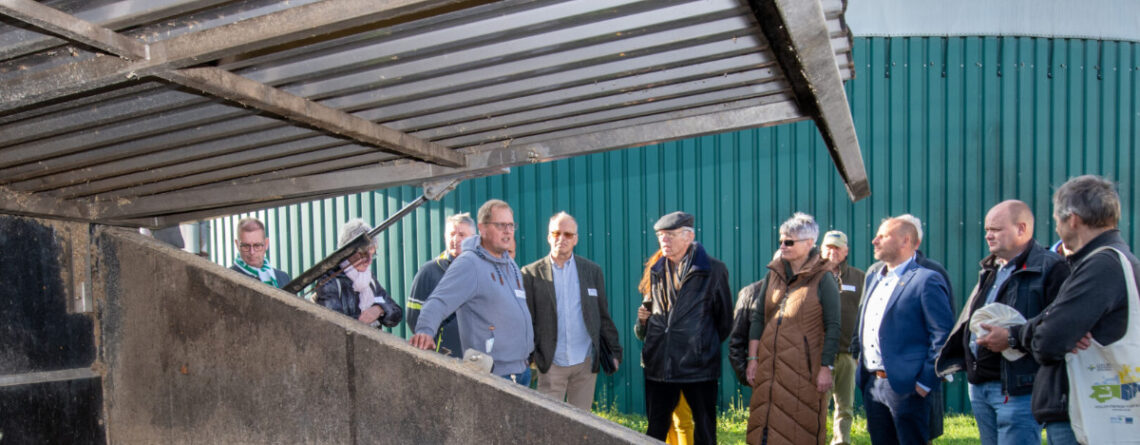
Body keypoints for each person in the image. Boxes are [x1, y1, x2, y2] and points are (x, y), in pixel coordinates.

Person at [994, 176, 1137, 444]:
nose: (1057, 229)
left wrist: (1033, 332)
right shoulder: (1113, 259)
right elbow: (1053, 325)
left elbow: (1048, 342)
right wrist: (1050, 325)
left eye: (1057, 220)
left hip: (1087, 412)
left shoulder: (1101, 265)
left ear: (1072, 219)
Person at [935, 200, 1069, 445]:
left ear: (1021, 229)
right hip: (981, 386)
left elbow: (1060, 326)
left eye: (996, 229)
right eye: (987, 229)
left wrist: (1010, 337)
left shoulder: (1051, 268)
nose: (988, 235)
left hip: (1019, 388)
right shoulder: (991, 267)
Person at [409, 200, 535, 385]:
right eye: (500, 225)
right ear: (482, 229)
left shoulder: (512, 265)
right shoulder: (470, 263)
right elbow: (439, 300)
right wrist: (425, 331)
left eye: (510, 225)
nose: (507, 231)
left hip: (521, 371)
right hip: (494, 375)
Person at [853, 216, 954, 445]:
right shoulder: (874, 278)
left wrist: (925, 383)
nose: (874, 241)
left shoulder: (926, 280)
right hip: (873, 384)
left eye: (883, 236)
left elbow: (942, 336)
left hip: (906, 387)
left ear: (905, 240)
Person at [635, 211, 732, 445]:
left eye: (670, 235)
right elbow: (653, 317)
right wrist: (644, 323)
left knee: (705, 429)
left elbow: (725, 321)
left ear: (688, 236)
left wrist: (700, 344)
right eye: (660, 236)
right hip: (659, 365)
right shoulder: (657, 270)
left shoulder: (714, 270)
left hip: (698, 366)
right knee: (656, 428)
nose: (664, 241)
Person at [744, 213, 840, 445]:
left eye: (789, 242)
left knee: (798, 430)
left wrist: (826, 366)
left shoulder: (824, 279)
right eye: (781, 241)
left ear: (809, 244)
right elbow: (758, 318)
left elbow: (834, 326)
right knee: (763, 427)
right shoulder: (773, 275)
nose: (782, 246)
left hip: (804, 372)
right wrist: (753, 358)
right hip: (768, 367)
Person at [522, 212, 622, 410]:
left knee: (582, 425)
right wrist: (529, 355)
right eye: (556, 233)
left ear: (575, 239)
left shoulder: (592, 271)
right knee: (548, 424)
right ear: (549, 237)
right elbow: (527, 320)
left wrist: (615, 351)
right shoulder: (531, 273)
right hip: (551, 363)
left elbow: (602, 314)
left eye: (568, 234)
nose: (561, 239)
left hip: (585, 362)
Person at [406, 213, 476, 357]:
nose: (456, 239)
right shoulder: (429, 271)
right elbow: (414, 317)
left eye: (462, 234)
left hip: (476, 358)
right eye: (451, 234)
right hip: (442, 358)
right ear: (445, 237)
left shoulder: (481, 271)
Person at [820, 230, 865, 445]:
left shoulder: (859, 277)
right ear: (821, 249)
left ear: (846, 251)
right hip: (820, 357)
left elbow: (866, 313)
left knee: (845, 407)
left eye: (837, 247)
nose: (832, 251)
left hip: (848, 354)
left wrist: (860, 351)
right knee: (818, 405)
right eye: (828, 247)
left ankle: (841, 441)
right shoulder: (813, 276)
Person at [315, 219, 402, 328]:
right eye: (364, 254)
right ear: (347, 250)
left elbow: (396, 312)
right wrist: (362, 319)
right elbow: (335, 325)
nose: (369, 261)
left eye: (372, 255)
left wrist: (379, 309)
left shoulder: (368, 278)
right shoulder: (329, 281)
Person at [229, 217, 291, 288]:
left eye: (257, 245)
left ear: (266, 244)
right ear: (237, 245)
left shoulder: (283, 278)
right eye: (246, 246)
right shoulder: (226, 279)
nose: (252, 252)